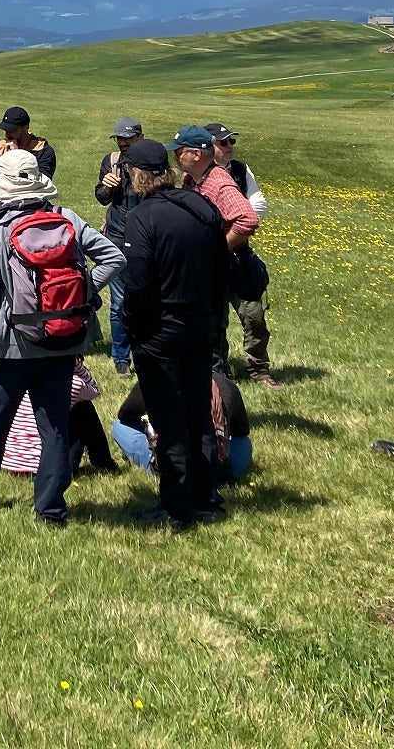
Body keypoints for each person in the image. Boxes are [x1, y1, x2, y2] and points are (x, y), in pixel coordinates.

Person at [0, 150, 123, 526]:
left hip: (14, 340)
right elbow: (114, 258)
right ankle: (50, 508)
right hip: (63, 340)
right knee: (55, 427)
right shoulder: (66, 219)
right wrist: (84, 295)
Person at [119, 138, 231, 529]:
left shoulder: (143, 218)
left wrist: (133, 328)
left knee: (170, 421)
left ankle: (176, 505)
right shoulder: (201, 206)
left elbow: (136, 284)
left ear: (136, 175)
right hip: (201, 327)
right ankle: (206, 497)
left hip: (160, 333)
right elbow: (222, 272)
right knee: (199, 412)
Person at [171, 123, 273, 389]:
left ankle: (254, 373)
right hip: (211, 267)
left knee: (251, 317)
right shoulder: (191, 179)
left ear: (195, 154)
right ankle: (221, 378)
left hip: (233, 262)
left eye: (179, 151)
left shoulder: (219, 182)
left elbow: (247, 219)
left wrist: (216, 248)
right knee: (212, 325)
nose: (175, 156)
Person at [206, 121, 274, 388]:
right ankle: (220, 373)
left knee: (254, 315)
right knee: (215, 320)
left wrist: (234, 223)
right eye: (223, 142)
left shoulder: (241, 170)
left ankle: (259, 370)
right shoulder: (199, 176)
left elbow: (258, 205)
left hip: (240, 254)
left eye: (231, 141)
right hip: (213, 258)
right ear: (209, 147)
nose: (230, 146)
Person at [113, 369, 252, 483]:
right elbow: (241, 430)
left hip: (173, 469)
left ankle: (153, 465)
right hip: (218, 470)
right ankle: (228, 471)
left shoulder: (156, 379)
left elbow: (125, 416)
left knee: (119, 426)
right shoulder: (225, 384)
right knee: (243, 441)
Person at [93, 118, 147, 376]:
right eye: (119, 138)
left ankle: (144, 352)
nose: (123, 143)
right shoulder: (111, 161)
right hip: (116, 238)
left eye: (128, 138)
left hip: (145, 241)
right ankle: (121, 357)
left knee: (146, 300)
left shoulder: (151, 162)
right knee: (119, 302)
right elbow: (102, 198)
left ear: (140, 137)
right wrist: (106, 187)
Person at [2, 361, 117, 478]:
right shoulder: (71, 383)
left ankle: (103, 461)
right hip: (47, 468)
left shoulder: (25, 378)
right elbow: (94, 390)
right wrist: (77, 364)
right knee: (83, 407)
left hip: (12, 462)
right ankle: (104, 462)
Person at [0, 106, 57, 208]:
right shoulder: (0, 148)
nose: (8, 134)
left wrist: (16, 155)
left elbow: (40, 185)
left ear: (26, 127)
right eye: (6, 130)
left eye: (13, 130)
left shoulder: (44, 151)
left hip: (30, 210)